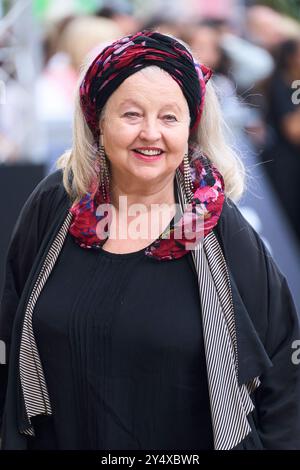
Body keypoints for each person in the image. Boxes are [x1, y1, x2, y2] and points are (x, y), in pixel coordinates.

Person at [0, 30, 299, 451]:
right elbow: (9, 336)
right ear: (97, 121)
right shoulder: (55, 204)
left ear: (191, 129)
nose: (151, 133)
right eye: (132, 114)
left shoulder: (219, 225)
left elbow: (286, 368)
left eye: (169, 117)